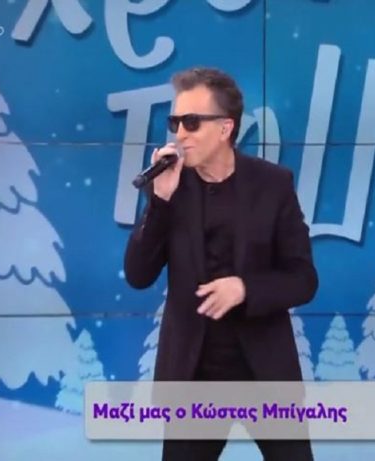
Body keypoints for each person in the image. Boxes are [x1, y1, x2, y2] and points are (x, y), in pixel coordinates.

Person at [124, 67, 318, 461]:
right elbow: (138, 275)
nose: (180, 134)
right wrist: (160, 202)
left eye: (192, 122)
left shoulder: (273, 184)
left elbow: (303, 279)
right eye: (175, 122)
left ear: (225, 128)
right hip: (194, 373)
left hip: (264, 369)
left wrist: (245, 289)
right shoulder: (171, 186)